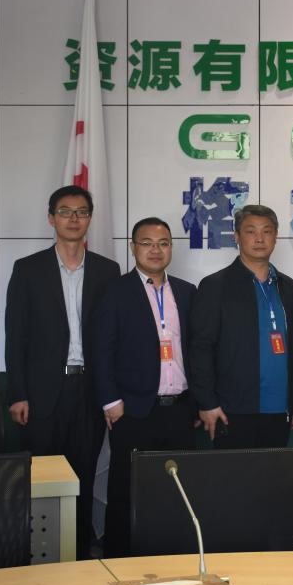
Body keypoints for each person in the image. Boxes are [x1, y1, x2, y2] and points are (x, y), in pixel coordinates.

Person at [4, 185, 121, 559]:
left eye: (81, 212)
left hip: (89, 390)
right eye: (65, 212)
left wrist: (111, 394)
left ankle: (80, 555)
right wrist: (18, 393)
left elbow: (113, 338)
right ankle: (37, 555)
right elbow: (16, 336)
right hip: (42, 393)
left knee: (83, 476)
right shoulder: (28, 269)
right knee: (42, 477)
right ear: (51, 218)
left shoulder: (108, 271)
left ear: (90, 219)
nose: (74, 219)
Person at [91, 217, 196, 557]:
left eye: (163, 243)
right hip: (134, 410)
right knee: (126, 490)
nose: (155, 250)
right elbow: (102, 349)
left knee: (177, 490)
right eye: (147, 243)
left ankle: (172, 558)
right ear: (133, 247)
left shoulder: (186, 292)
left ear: (171, 248)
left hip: (179, 410)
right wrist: (111, 401)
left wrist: (197, 402)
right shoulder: (116, 292)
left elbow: (196, 349)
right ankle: (120, 559)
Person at [188, 204, 293, 448]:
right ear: (237, 236)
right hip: (231, 409)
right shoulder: (215, 286)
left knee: (274, 473)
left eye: (267, 231)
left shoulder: (289, 287)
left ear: (276, 237)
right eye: (251, 231)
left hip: (280, 409)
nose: (259, 238)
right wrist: (206, 402)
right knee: (235, 473)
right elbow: (200, 348)